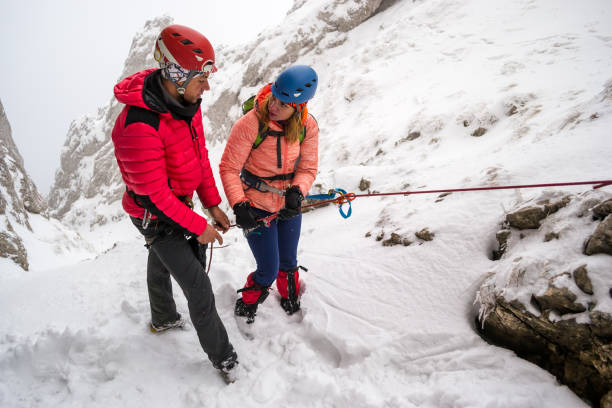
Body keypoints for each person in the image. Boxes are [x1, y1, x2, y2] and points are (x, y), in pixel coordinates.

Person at [111, 24, 238, 379]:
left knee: (161, 256)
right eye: (201, 78)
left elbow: (198, 159)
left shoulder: (188, 103)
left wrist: (211, 203)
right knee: (197, 284)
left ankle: (164, 318)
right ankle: (224, 358)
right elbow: (155, 195)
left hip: (176, 203)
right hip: (153, 212)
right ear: (176, 75)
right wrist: (199, 227)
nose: (207, 86)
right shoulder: (138, 126)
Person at [219, 65, 319, 323]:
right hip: (256, 205)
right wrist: (240, 205)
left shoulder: (307, 126)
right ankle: (247, 303)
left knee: (288, 260)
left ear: (298, 107)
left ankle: (290, 295)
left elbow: (308, 168)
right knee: (268, 268)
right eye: (274, 97)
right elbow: (229, 168)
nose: (274, 105)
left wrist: (298, 191)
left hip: (287, 205)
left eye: (283, 103)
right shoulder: (250, 124)